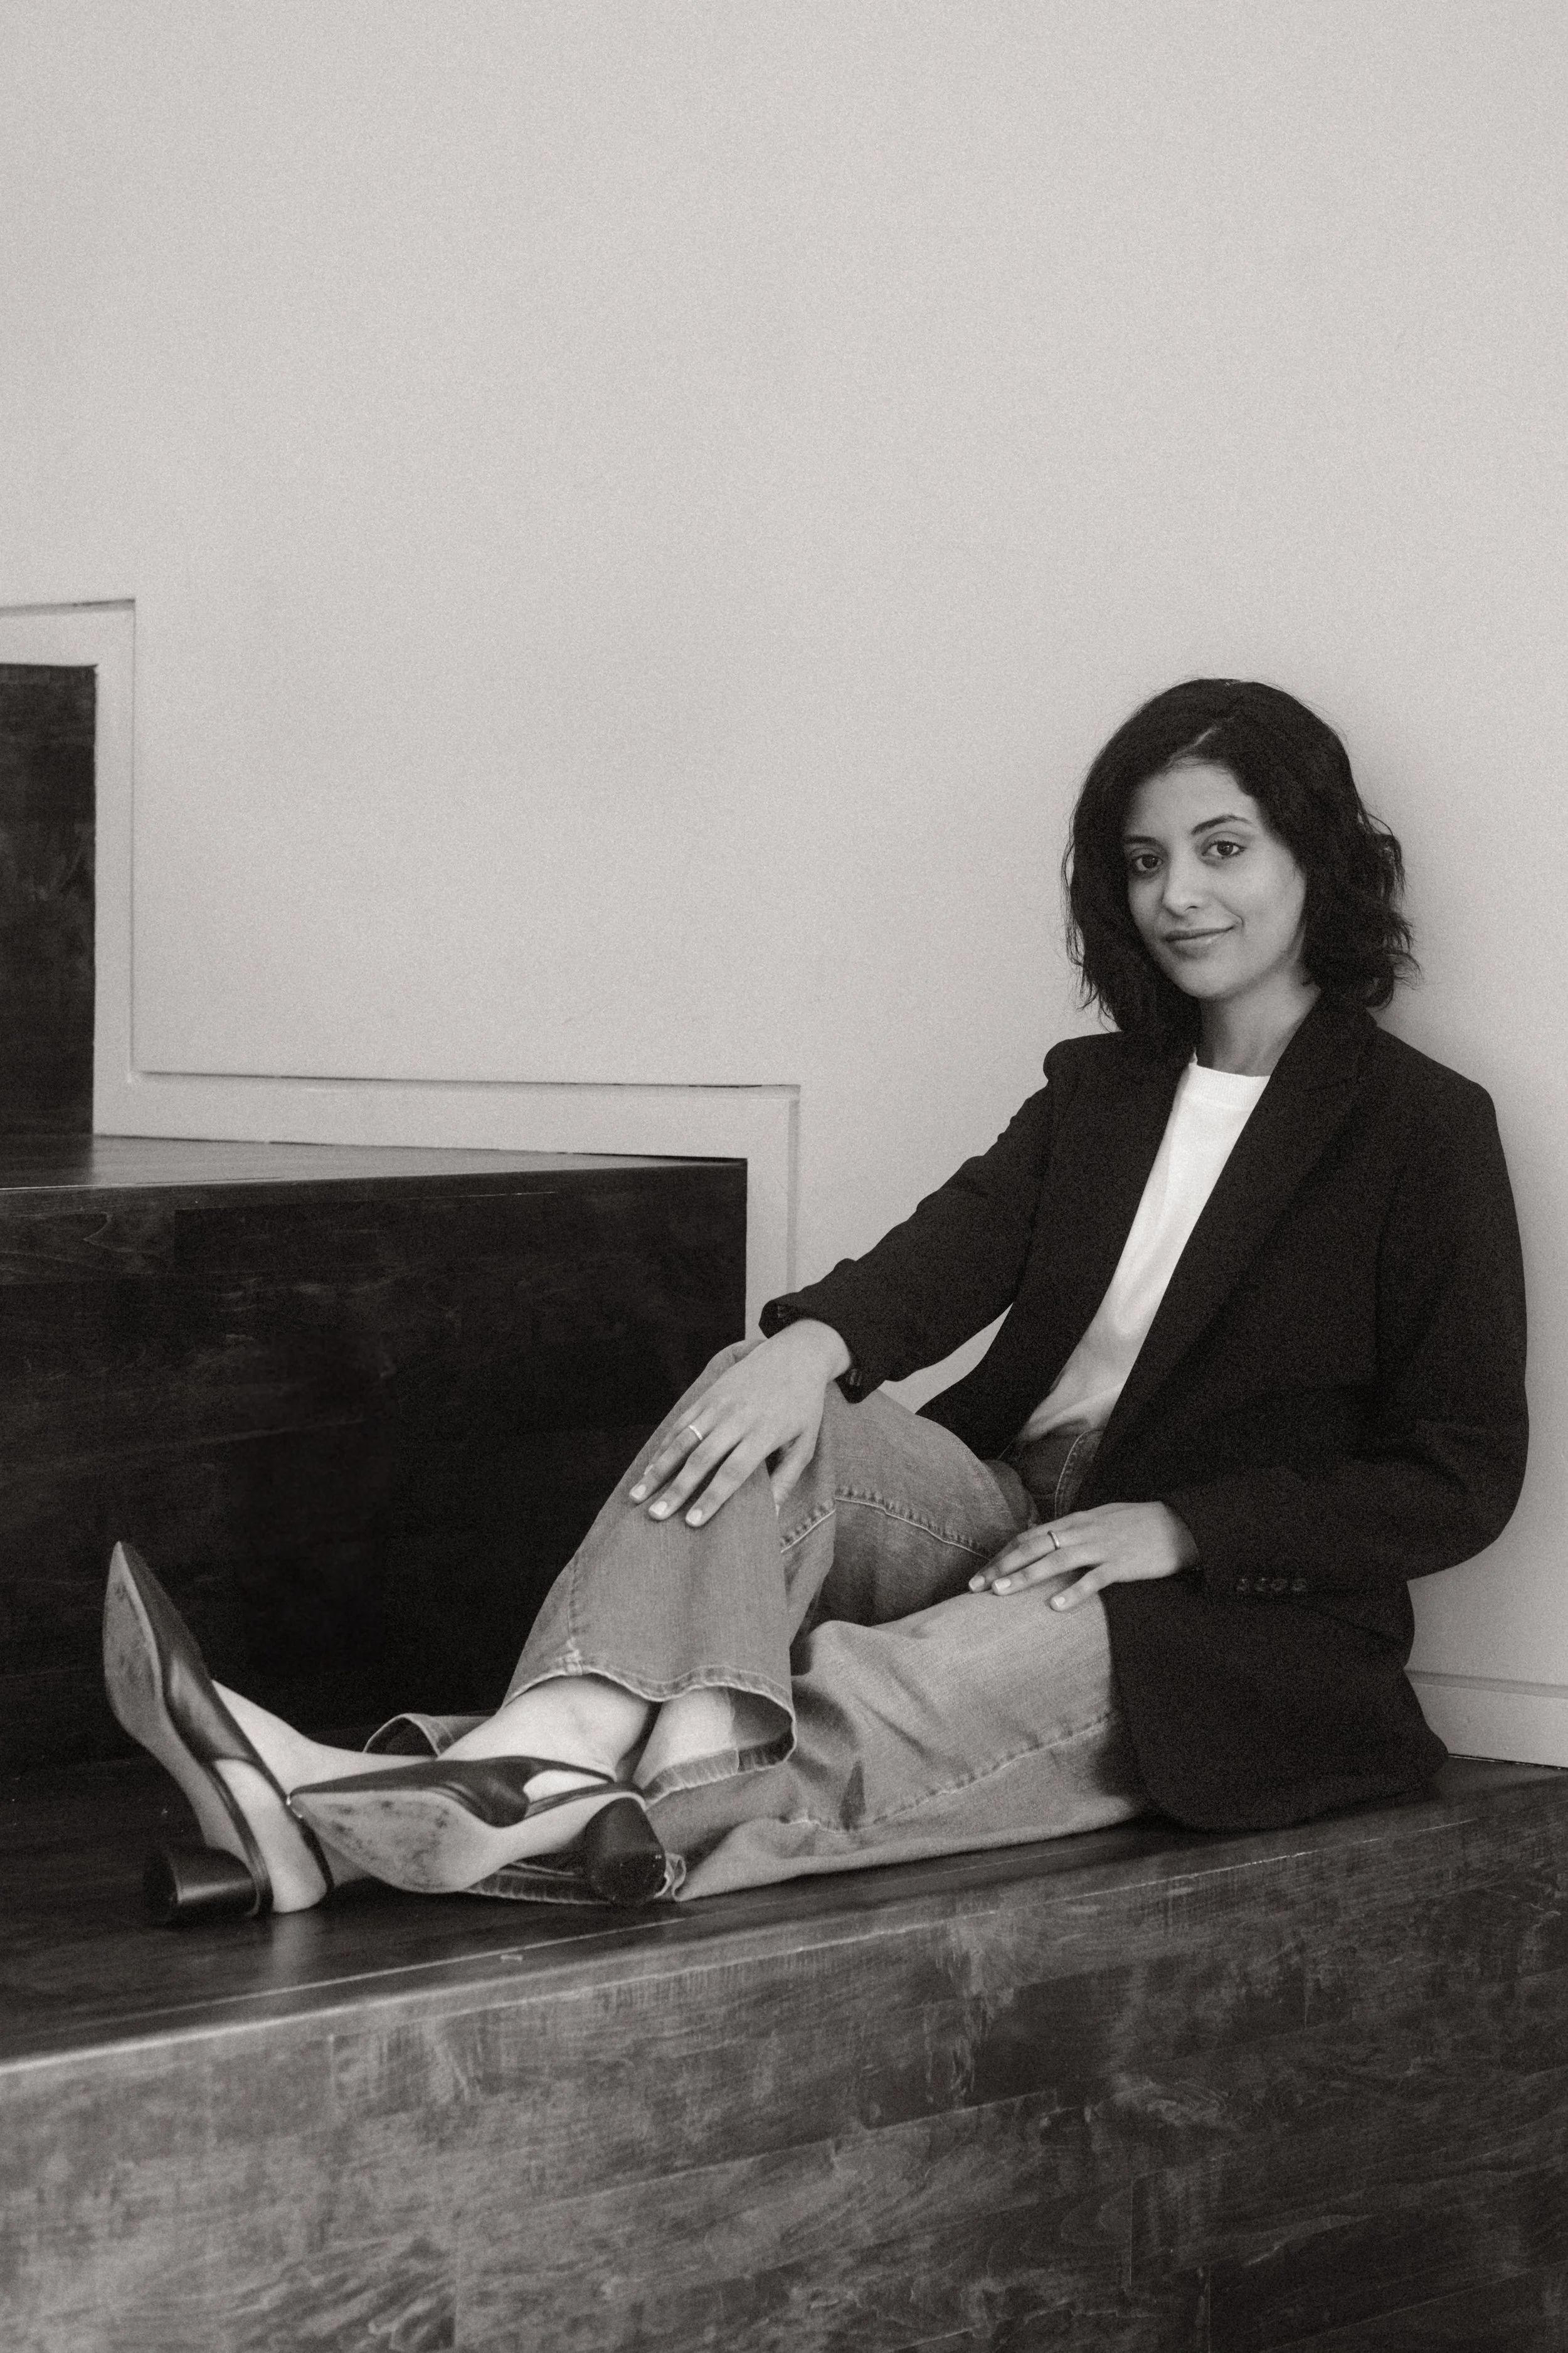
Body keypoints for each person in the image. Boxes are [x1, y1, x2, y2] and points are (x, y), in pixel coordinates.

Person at [104, 679, 1528, 1923]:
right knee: (754, 1411)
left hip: (1209, 1620)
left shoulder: (1420, 1130)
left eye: (1222, 848)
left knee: (876, 1693)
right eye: (1145, 860)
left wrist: (1183, 1529)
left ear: (1314, 856)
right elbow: (950, 1250)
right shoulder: (1100, 1092)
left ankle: (334, 1813)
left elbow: (1456, 1472)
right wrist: (810, 1352)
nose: (1178, 895)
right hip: (1004, 1513)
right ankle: (551, 1740)